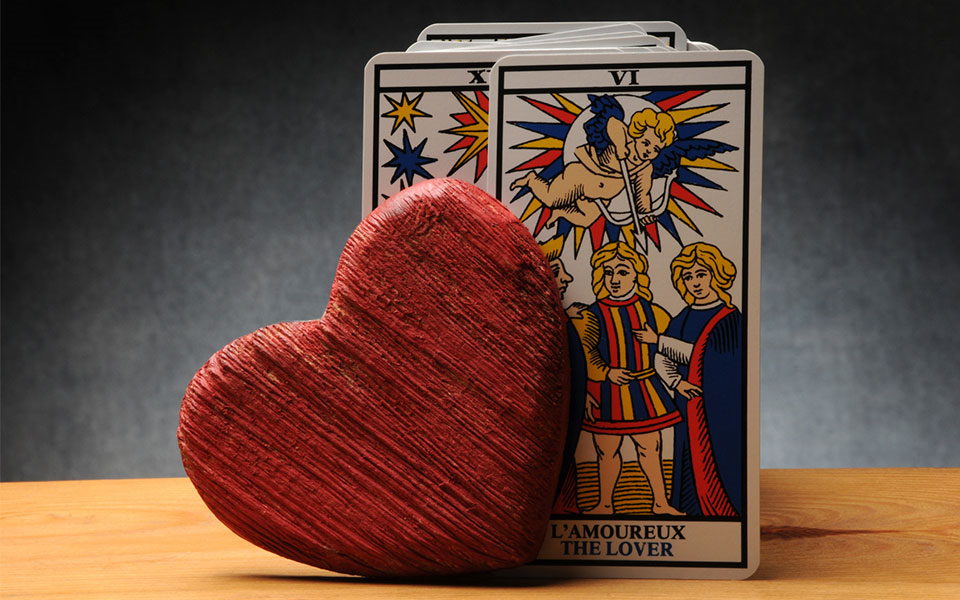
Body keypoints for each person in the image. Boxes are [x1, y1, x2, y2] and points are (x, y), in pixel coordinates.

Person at [576, 241, 683, 516]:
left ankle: (660, 503)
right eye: (608, 272)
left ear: (637, 275)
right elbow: (586, 353)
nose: (615, 279)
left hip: (644, 389)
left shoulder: (654, 312)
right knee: (606, 450)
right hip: (608, 392)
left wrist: (675, 377)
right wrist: (606, 372)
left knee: (650, 447)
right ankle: (605, 504)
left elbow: (670, 349)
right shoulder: (592, 315)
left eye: (622, 272)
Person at [644, 242, 743, 516]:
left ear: (715, 274)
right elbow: (661, 359)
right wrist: (677, 383)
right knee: (687, 456)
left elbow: (711, 358)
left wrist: (660, 341)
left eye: (701, 274)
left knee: (719, 458)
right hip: (688, 402)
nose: (695, 282)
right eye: (688, 277)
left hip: (719, 406)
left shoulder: (730, 319)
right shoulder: (682, 317)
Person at [510, 100, 676, 229]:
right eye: (646, 143)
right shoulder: (624, 137)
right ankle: (532, 179)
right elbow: (613, 122)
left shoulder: (645, 167)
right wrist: (620, 145)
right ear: (637, 134)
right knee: (551, 199)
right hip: (580, 177)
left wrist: (645, 213)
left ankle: (562, 213)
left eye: (655, 149)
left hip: (601, 197)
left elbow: (643, 193)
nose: (648, 151)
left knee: (586, 220)